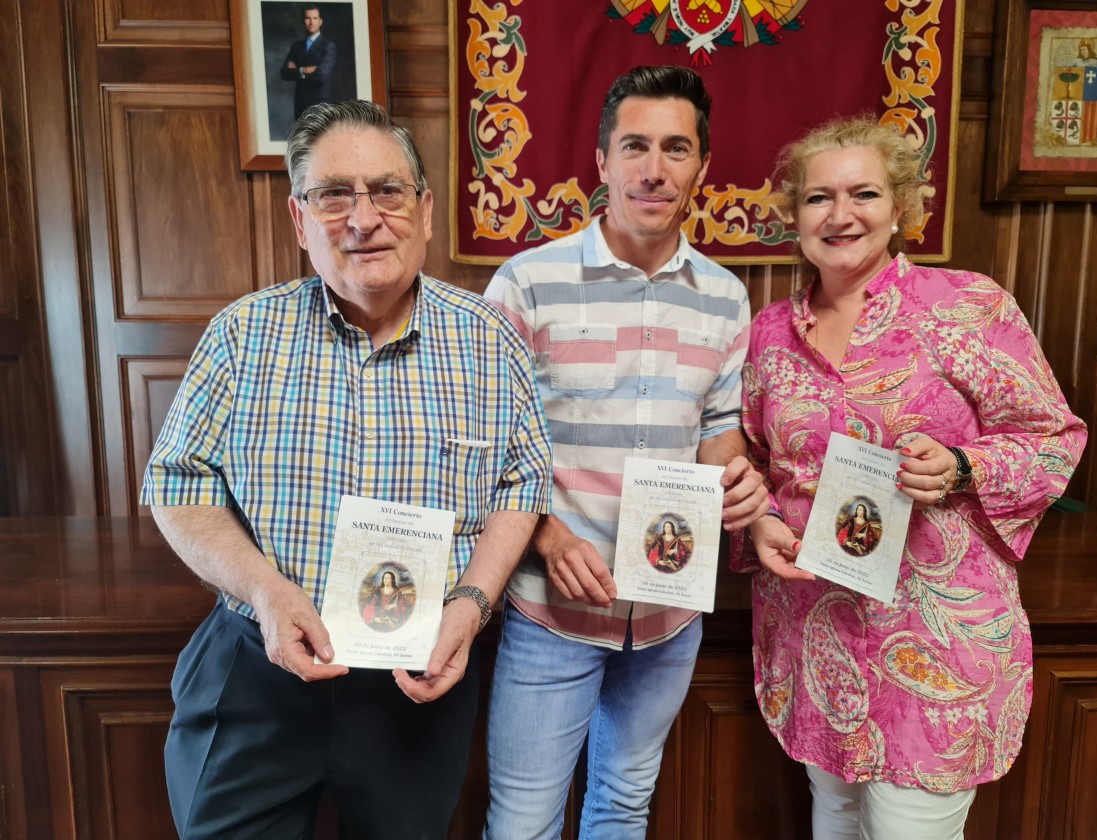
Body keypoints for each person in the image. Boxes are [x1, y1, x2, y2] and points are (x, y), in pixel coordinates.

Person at [141, 99, 553, 839]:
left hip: (417, 681)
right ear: (300, 220)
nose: (363, 219)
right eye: (334, 195)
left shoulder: (492, 343)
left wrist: (471, 601)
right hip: (256, 670)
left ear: (425, 210)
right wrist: (266, 593)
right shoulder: (241, 335)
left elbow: (521, 483)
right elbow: (178, 484)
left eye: (387, 191)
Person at [738, 115, 1087, 840]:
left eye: (862, 193)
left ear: (901, 206)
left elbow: (1053, 437)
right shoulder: (770, 331)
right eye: (816, 198)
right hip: (811, 627)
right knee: (832, 821)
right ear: (792, 215)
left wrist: (964, 466)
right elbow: (752, 458)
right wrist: (762, 515)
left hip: (934, 639)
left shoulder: (967, 306)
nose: (839, 215)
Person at [482, 65, 769, 839]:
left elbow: (718, 429)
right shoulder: (526, 283)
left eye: (676, 149)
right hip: (552, 609)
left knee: (622, 808)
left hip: (669, 616)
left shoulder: (724, 295)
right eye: (635, 146)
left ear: (701, 169)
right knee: (523, 824)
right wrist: (545, 534)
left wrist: (734, 479)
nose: (654, 168)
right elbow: (483, 447)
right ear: (602, 161)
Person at [280, 5, 337, 121]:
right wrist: (305, 70)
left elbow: (321, 76)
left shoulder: (328, 46)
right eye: (308, 18)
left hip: (321, 106)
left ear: (320, 21)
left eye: (315, 18)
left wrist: (296, 70)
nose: (311, 22)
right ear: (303, 21)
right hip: (301, 105)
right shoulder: (296, 47)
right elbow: (284, 73)